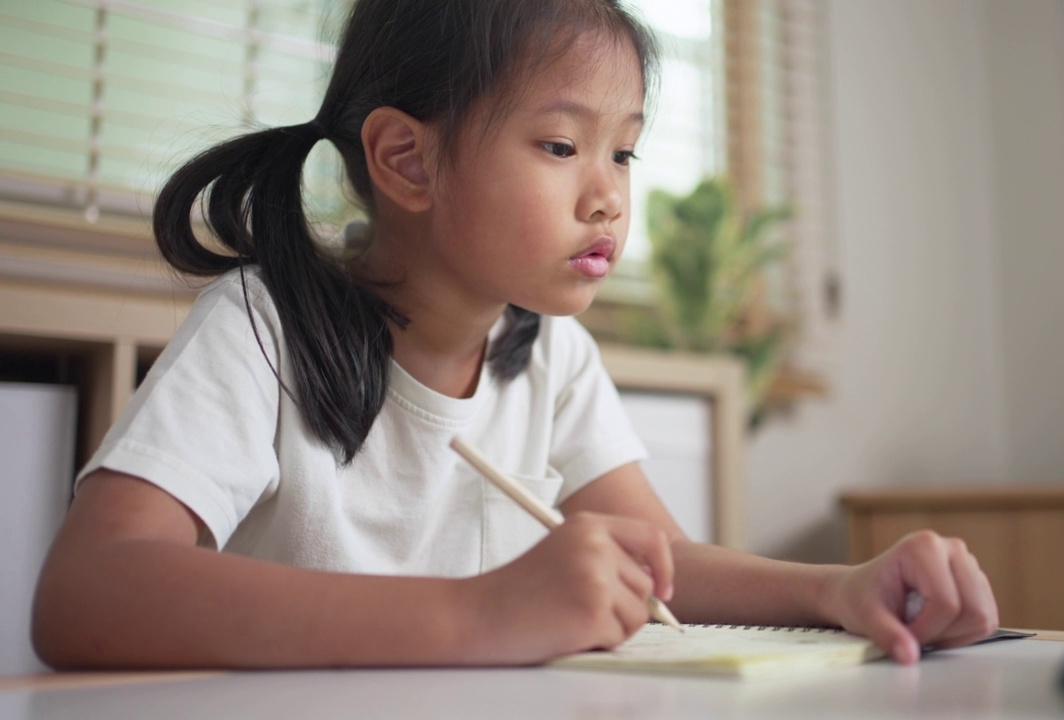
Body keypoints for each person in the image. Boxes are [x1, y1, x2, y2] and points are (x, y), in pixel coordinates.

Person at [32, 0, 997, 670]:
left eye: (624, 150)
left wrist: (841, 590)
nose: (609, 192)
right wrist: (476, 612)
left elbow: (660, 567)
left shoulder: (549, 353)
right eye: (562, 146)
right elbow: (85, 593)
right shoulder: (263, 329)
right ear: (407, 159)